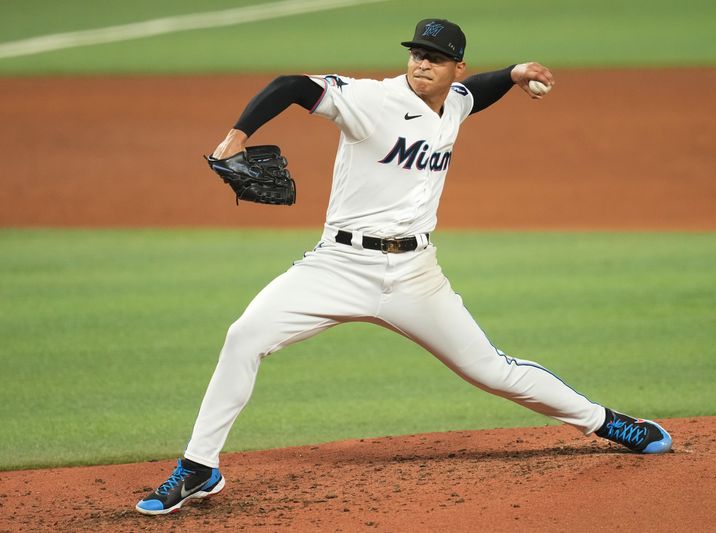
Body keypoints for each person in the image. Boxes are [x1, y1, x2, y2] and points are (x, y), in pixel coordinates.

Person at [135, 18, 672, 516]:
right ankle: (200, 467)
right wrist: (238, 135)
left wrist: (513, 74)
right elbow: (291, 85)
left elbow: (473, 95)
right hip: (337, 266)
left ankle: (608, 423)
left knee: (490, 369)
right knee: (243, 336)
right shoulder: (370, 98)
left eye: (436, 58)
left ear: (453, 68)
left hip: (416, 275)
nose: (422, 63)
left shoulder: (455, 101)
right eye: (417, 53)